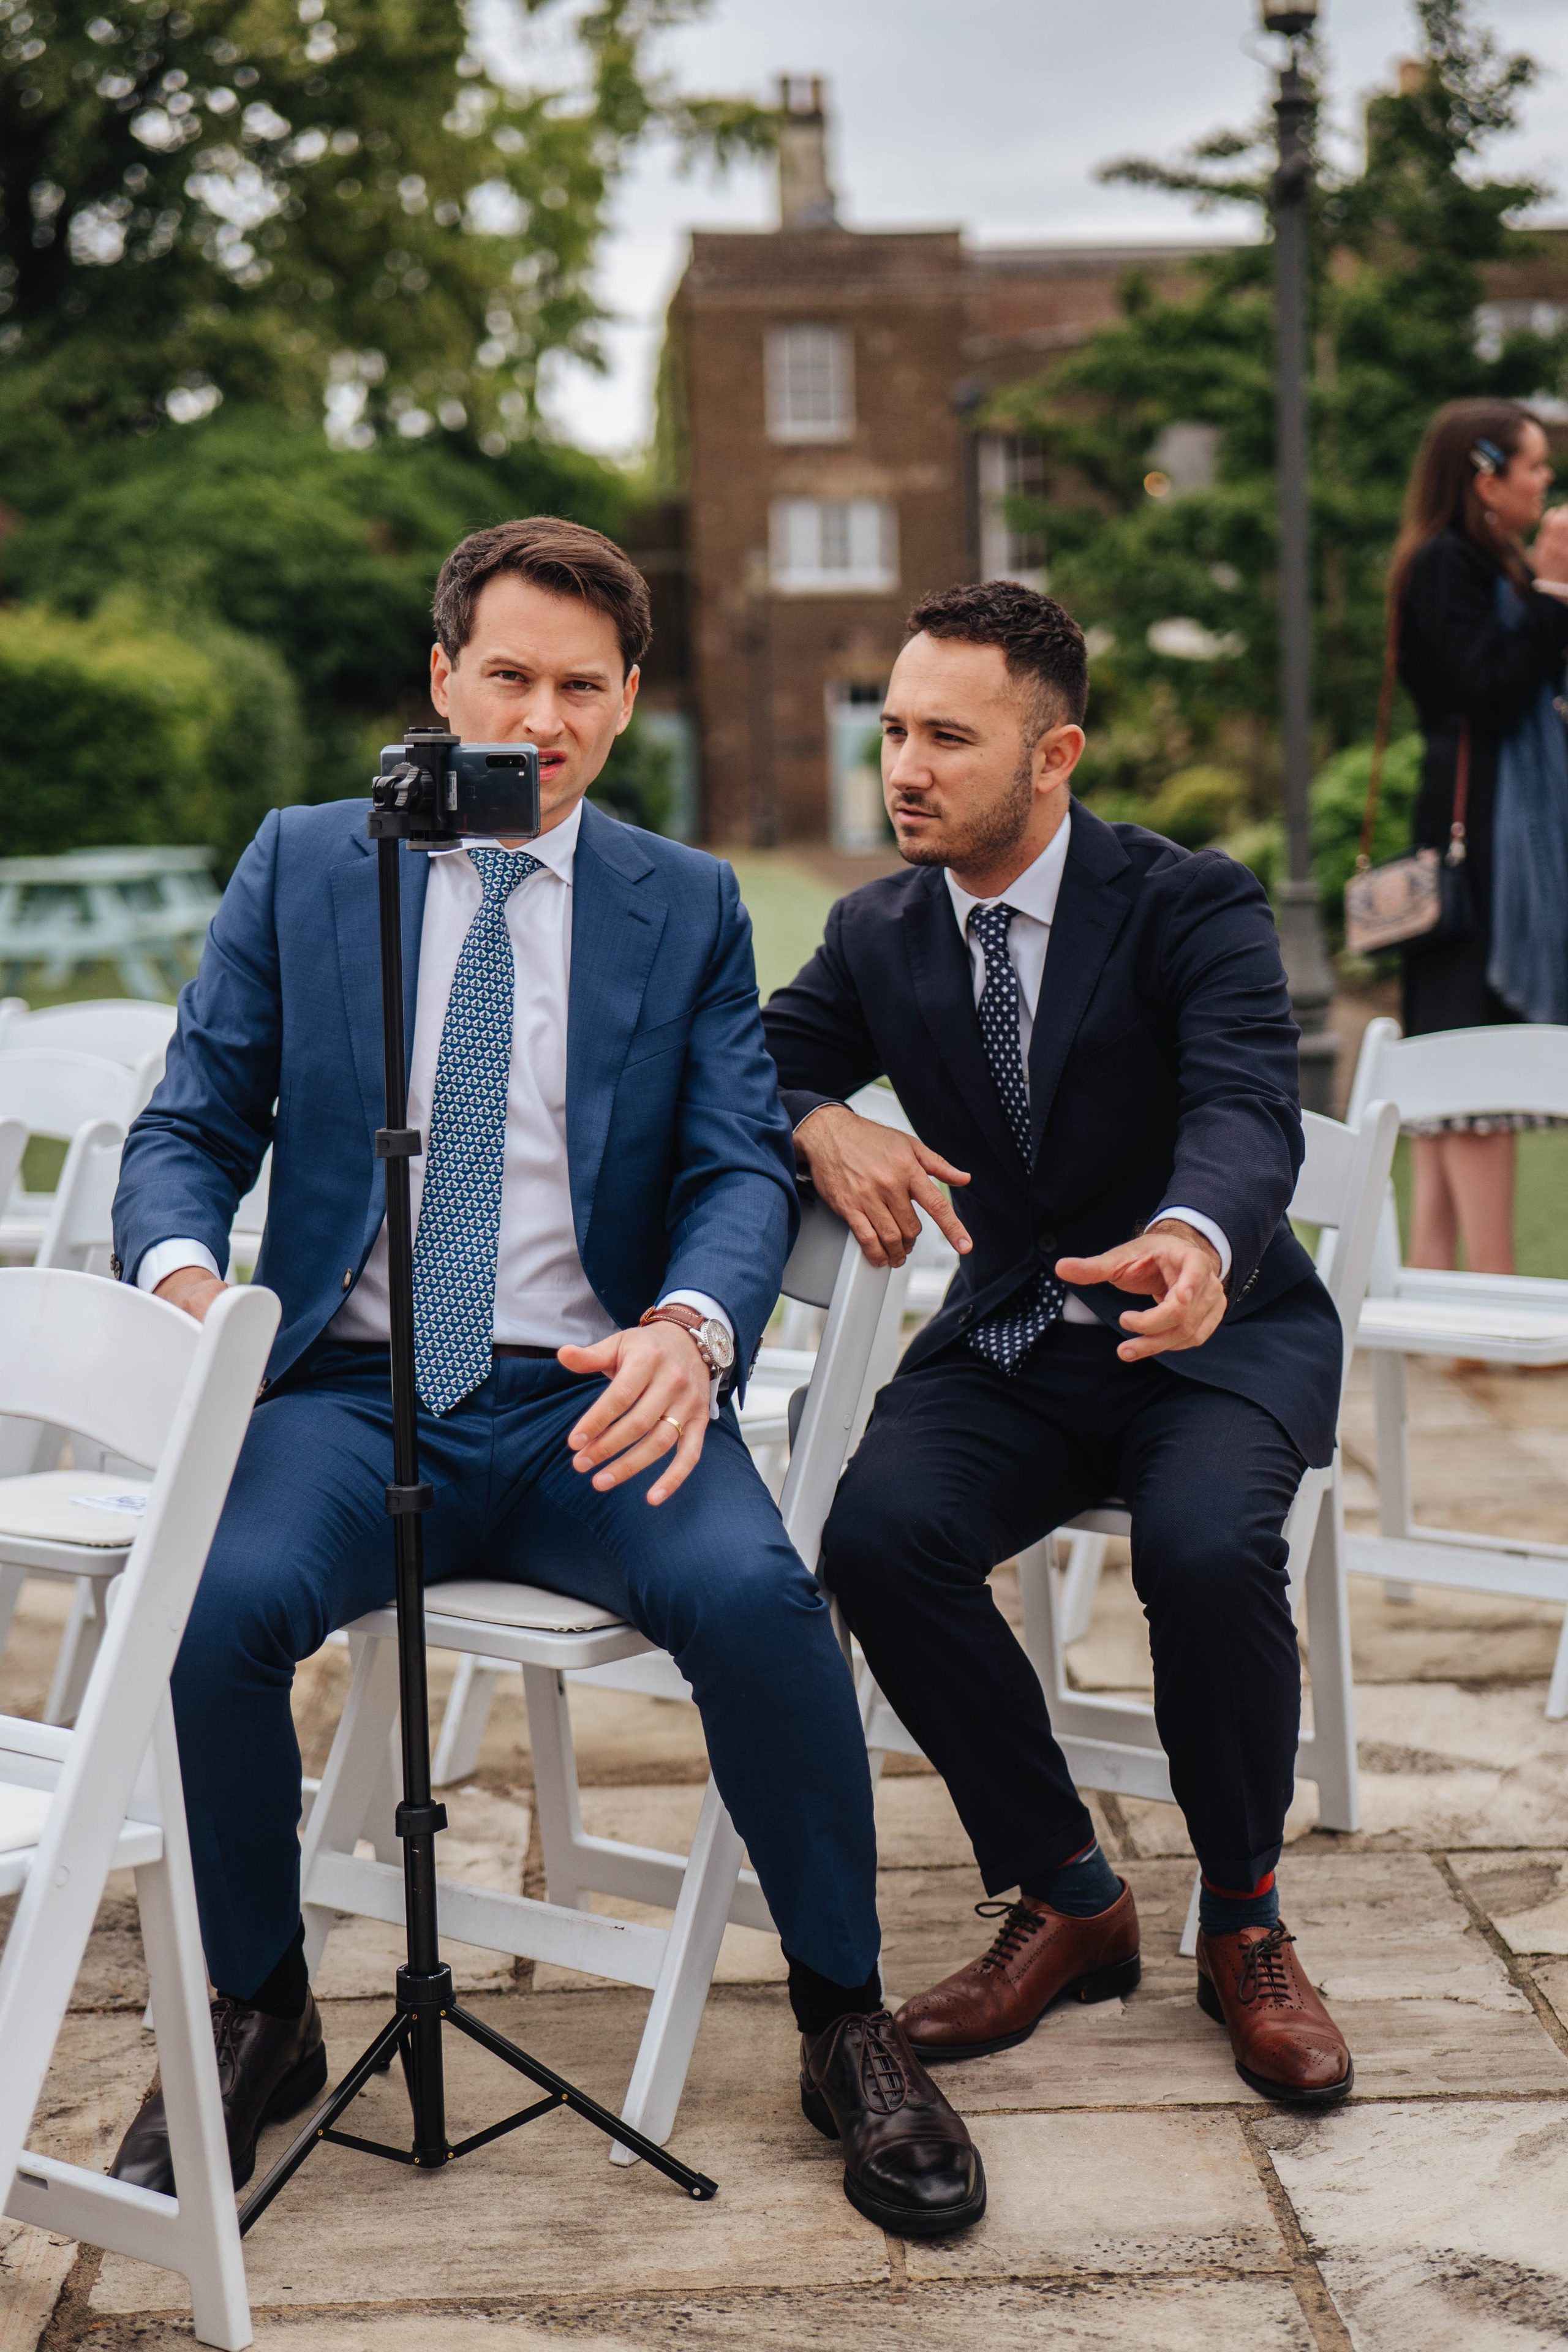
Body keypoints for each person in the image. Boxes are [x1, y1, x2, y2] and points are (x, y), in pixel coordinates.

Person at [108, 518, 985, 2238]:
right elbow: (188, 1123)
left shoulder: (689, 901)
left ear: (628, 700)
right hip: (358, 1396)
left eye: (582, 685)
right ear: (443, 680)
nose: (542, 715)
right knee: (206, 1614)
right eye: (507, 674)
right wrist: (194, 1291)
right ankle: (258, 2004)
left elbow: (742, 1164)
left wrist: (693, 1331)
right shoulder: (306, 864)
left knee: (762, 1601)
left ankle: (843, 2016)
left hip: (600, 1389)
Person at [762, 579, 1354, 2107]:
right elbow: (752, 1058)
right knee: (874, 1535)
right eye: (893, 730)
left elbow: (1243, 1100)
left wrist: (1195, 1235)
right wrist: (823, 1116)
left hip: (1210, 1331)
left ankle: (1242, 1919)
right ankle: (1067, 1892)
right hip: (1018, 1331)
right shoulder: (876, 930)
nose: (903, 766)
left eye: (948, 738)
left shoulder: (1187, 900)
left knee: (1205, 1551)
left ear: (1055, 753)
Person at [1390, 398, 1568, 1275]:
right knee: (1473, 1070)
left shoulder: (1481, 561)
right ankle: (1490, 1295)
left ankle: (1433, 1289)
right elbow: (1489, 693)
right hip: (1476, 845)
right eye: (1534, 466)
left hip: (1488, 837)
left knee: (1452, 1072)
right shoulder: (1447, 566)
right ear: (1486, 479)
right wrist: (1549, 590)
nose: (1546, 481)